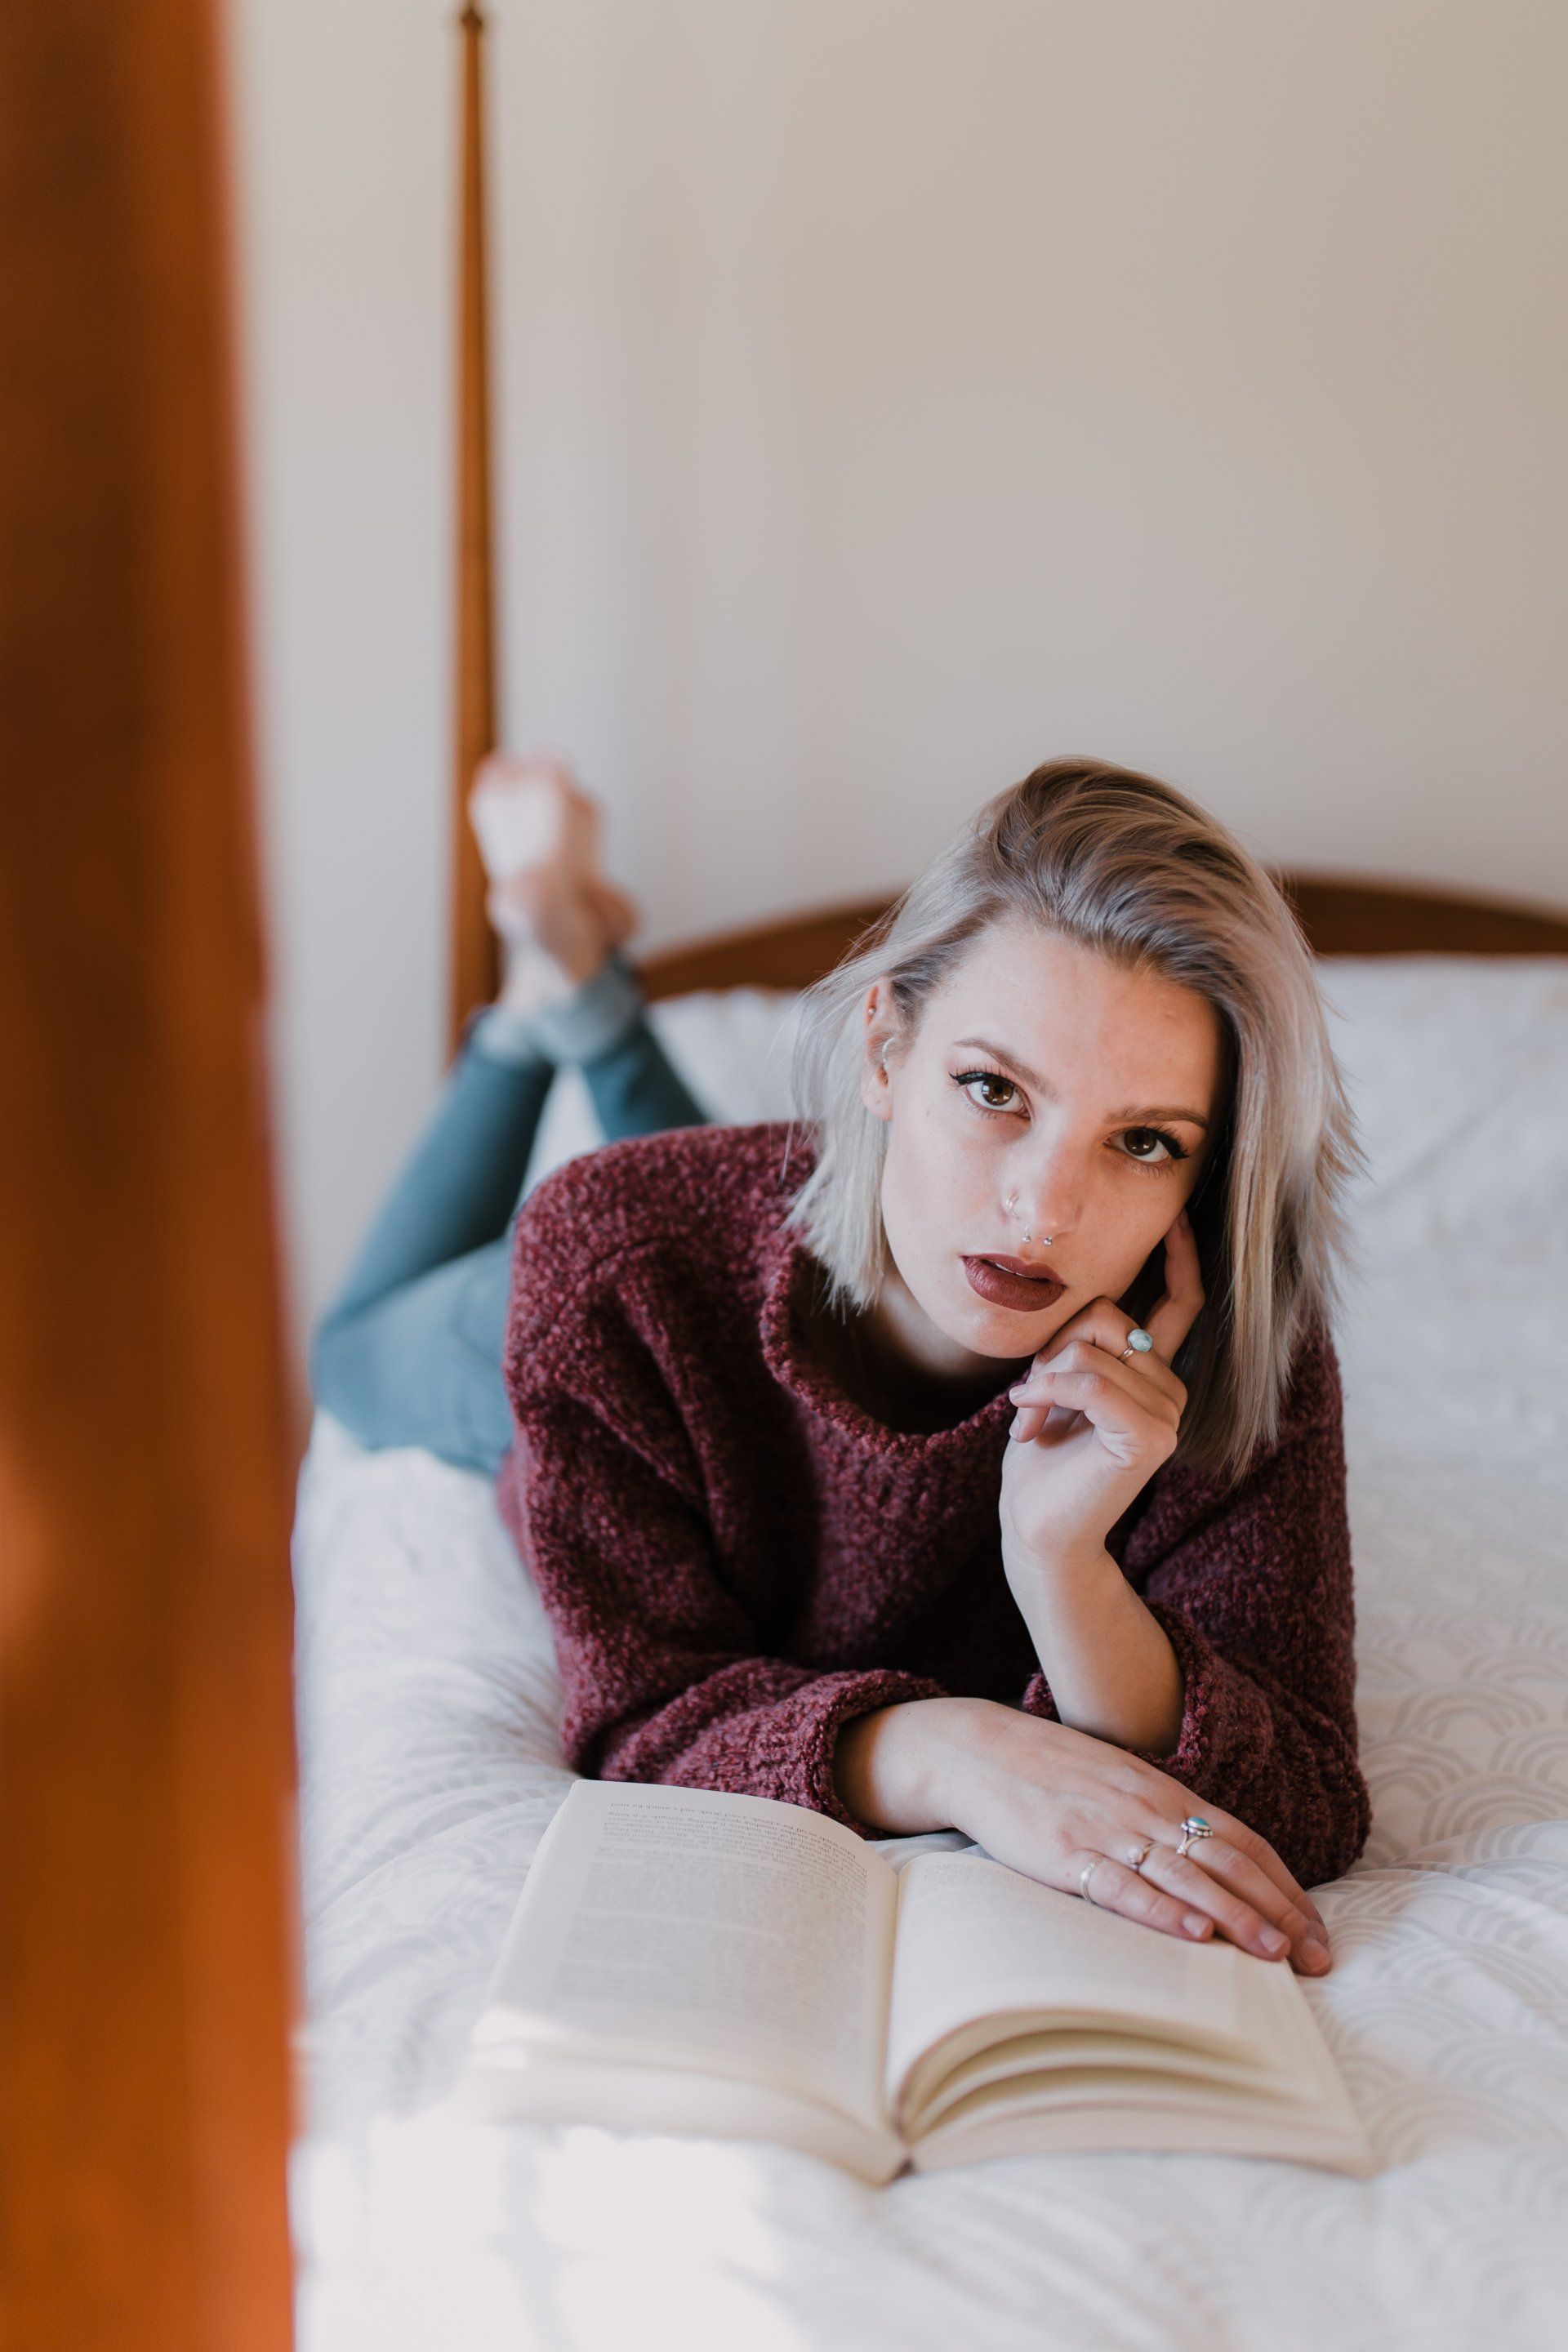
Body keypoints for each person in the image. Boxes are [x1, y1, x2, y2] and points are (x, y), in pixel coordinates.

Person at [318, 752, 1368, 1978]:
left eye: (1143, 1141)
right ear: (884, 1050)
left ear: (1208, 1170)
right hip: (634, 1329)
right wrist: (950, 1749)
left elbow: (1303, 1796)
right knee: (352, 1357)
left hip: (800, 1228)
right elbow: (640, 1710)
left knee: (772, 1195)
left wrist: (1061, 1564)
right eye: (991, 1089)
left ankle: (597, 995)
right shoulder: (614, 1271)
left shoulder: (1239, 1336)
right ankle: (546, 996)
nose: (1042, 1212)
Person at [310, 753, 707, 1475]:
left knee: (347, 1353)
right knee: (722, 1236)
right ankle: (572, 978)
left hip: (610, 1317)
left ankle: (565, 987)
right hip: (630, 1324)